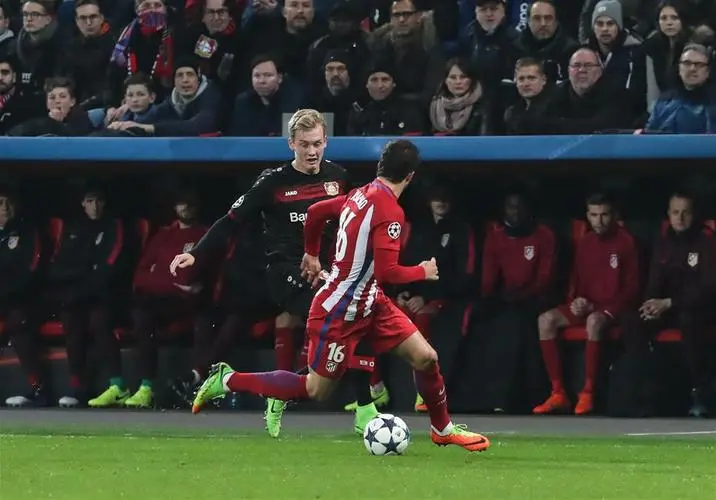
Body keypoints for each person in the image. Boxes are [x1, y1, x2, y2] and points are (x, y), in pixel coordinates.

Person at [191, 140, 491, 453]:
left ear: (381, 167)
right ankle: (228, 379)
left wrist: (310, 252)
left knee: (426, 358)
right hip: (338, 309)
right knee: (315, 389)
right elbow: (388, 272)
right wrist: (422, 271)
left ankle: (442, 430)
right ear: (410, 176)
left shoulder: (362, 193)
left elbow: (316, 211)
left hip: (372, 302)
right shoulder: (390, 211)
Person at [169, 109, 378, 437]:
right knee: (344, 316)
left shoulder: (339, 178)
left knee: (342, 341)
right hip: (286, 274)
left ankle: (269, 388)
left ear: (326, 142)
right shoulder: (272, 183)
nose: (312, 151)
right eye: (305, 144)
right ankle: (366, 410)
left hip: (328, 273)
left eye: (317, 144)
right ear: (291, 144)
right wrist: (195, 254)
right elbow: (230, 222)